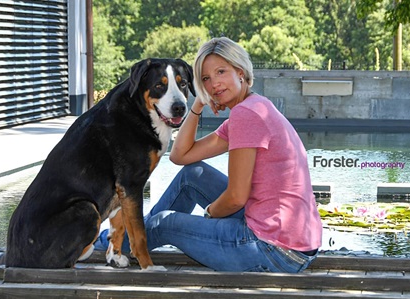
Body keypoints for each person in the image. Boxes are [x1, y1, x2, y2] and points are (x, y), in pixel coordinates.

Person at [95, 37, 322, 272]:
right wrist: (198, 105)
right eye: (206, 79)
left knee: (166, 222)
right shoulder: (256, 106)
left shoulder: (247, 115)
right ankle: (134, 233)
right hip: (295, 243)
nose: (214, 84)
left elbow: (236, 197)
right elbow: (181, 156)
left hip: (272, 249)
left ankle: (104, 242)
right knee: (192, 175)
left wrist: (209, 213)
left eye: (221, 72)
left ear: (240, 71)